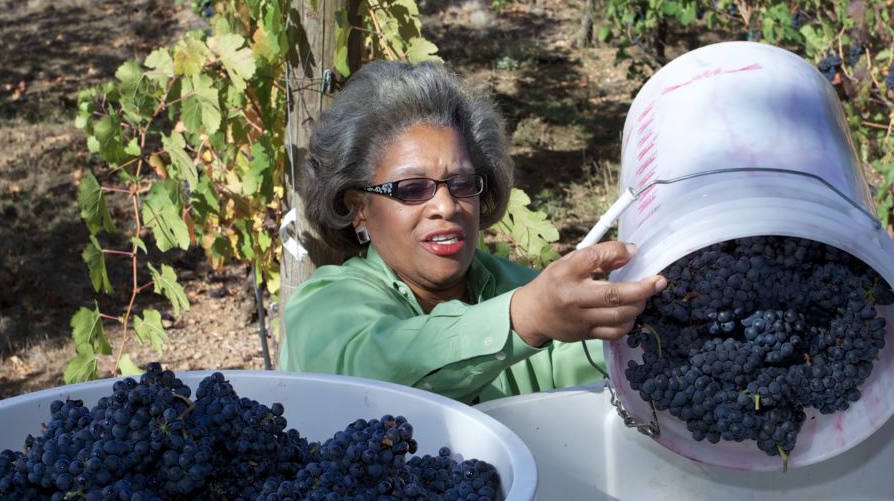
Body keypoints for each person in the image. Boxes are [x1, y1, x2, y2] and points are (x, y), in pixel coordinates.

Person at [279, 60, 666, 404]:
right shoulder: (324, 308)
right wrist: (523, 318)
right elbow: (372, 378)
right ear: (358, 208)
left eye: (462, 184)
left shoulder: (513, 286)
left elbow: (595, 363)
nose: (447, 206)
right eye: (412, 189)